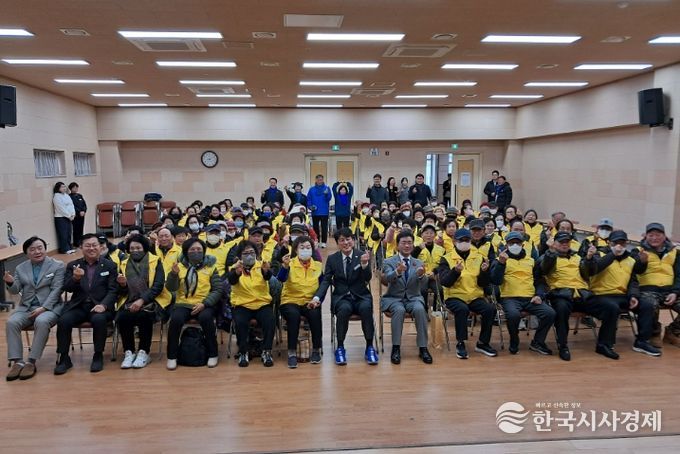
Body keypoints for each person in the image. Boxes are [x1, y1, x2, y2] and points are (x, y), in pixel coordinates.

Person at [539, 231, 620, 361]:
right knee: (561, 309)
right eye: (561, 242)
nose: (565, 244)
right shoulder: (548, 256)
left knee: (611, 307)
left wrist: (589, 258)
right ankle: (563, 346)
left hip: (583, 295)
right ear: (554, 243)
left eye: (567, 242)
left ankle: (604, 345)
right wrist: (550, 251)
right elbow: (544, 269)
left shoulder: (578, 257)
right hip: (561, 294)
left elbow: (588, 273)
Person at [581, 230, 660, 357]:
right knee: (611, 307)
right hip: (599, 295)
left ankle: (642, 342)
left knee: (647, 305)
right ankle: (604, 345)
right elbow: (592, 270)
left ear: (626, 244)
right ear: (609, 243)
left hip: (622, 296)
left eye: (622, 243)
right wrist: (612, 254)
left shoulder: (630, 259)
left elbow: (633, 281)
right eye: (615, 243)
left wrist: (633, 295)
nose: (619, 246)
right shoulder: (599, 254)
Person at [55, 233, 118, 375]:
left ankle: (98, 355)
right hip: (78, 306)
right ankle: (64, 358)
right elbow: (67, 288)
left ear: (100, 247)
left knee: (99, 319)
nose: (91, 248)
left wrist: (104, 305)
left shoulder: (110, 265)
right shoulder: (73, 265)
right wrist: (75, 279)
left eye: (94, 245)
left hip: (100, 306)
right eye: (87, 245)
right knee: (64, 320)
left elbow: (113, 290)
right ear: (81, 248)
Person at [4, 236, 65, 381]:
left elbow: (57, 290)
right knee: (11, 322)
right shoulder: (21, 268)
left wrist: (44, 308)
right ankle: (18, 362)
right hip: (26, 307)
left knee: (41, 321)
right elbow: (15, 290)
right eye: (32, 249)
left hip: (50, 307)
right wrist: (10, 283)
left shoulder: (57, 265)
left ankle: (31, 361)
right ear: (26, 253)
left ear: (45, 249)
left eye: (40, 248)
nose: (37, 252)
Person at [313, 227, 377, 365]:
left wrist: (365, 264)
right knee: (343, 310)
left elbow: (368, 278)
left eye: (348, 239)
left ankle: (370, 346)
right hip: (342, 297)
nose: (346, 243)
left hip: (361, 296)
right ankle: (340, 347)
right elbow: (326, 280)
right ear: (337, 243)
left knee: (366, 308)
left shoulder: (362, 255)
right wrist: (317, 297)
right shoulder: (332, 259)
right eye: (342, 240)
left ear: (353, 240)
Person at [490, 231, 555, 356]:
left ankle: (537, 342)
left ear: (523, 245)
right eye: (511, 243)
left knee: (549, 313)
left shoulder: (531, 261)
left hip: (530, 298)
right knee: (513, 315)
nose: (515, 245)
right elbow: (495, 281)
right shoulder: (499, 260)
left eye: (518, 243)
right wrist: (501, 264)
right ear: (506, 245)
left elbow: (539, 281)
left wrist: (539, 295)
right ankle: (514, 339)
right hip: (509, 298)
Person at [438, 228, 497, 359]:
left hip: (475, 296)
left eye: (467, 240)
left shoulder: (479, 257)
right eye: (461, 240)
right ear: (454, 242)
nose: (464, 243)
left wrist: (485, 272)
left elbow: (483, 283)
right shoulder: (446, 258)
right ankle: (461, 343)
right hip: (454, 296)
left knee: (490, 309)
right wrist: (455, 271)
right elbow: (445, 282)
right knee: (462, 309)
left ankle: (483, 343)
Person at [165, 238, 221, 370]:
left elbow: (218, 289)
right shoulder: (179, 266)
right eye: (192, 249)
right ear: (186, 252)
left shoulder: (211, 267)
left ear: (204, 251)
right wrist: (173, 275)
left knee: (206, 318)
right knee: (176, 320)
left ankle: (213, 354)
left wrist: (205, 303)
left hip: (204, 304)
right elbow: (171, 288)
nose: (196, 252)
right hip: (183, 304)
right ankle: (172, 356)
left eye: (199, 249)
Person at [115, 234, 168, 369]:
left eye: (138, 248)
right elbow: (121, 291)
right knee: (123, 317)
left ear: (144, 248)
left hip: (152, 301)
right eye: (132, 248)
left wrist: (142, 300)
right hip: (129, 300)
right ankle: (129, 352)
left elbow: (158, 286)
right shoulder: (123, 263)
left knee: (144, 316)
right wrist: (122, 285)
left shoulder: (155, 261)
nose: (135, 250)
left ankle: (144, 352)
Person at [380, 231, 432, 364]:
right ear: (397, 245)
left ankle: (423, 348)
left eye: (409, 243)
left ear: (413, 245)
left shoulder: (418, 262)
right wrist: (397, 271)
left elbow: (424, 285)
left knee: (420, 309)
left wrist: (421, 275)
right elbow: (386, 279)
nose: (407, 246)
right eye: (404, 243)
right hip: (394, 298)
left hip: (413, 298)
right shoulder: (389, 261)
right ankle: (396, 348)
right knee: (399, 310)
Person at [277, 236, 323, 368]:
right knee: (293, 315)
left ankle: (316, 349)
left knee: (315, 314)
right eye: (302, 247)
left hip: (310, 301)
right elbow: (281, 278)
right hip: (290, 300)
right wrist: (284, 267)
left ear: (312, 250)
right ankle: (292, 352)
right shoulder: (289, 263)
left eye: (308, 247)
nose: (305, 250)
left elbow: (323, 287)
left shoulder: (318, 266)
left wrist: (317, 300)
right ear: (296, 250)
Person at [228, 240, 276, 367]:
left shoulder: (262, 265)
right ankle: (243, 352)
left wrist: (266, 271)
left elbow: (268, 277)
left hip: (262, 303)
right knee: (240, 322)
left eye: (252, 252)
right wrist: (237, 272)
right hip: (242, 304)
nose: (249, 255)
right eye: (246, 253)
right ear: (240, 256)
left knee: (270, 320)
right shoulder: (235, 268)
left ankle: (266, 351)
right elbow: (231, 280)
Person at [635, 223, 680, 347]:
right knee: (649, 304)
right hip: (647, 290)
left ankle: (673, 332)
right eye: (651, 235)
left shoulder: (675, 252)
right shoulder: (638, 250)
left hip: (669, 291)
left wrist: (675, 292)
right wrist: (641, 262)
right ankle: (654, 333)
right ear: (646, 236)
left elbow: (679, 275)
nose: (654, 238)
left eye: (658, 235)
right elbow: (634, 272)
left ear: (664, 236)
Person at [307, 174, 332, 248]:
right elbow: (309, 199)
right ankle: (316, 241)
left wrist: (327, 194)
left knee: (324, 227)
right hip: (315, 212)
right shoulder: (311, 189)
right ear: (316, 180)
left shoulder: (326, 188)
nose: (319, 181)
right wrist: (310, 206)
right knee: (315, 227)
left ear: (323, 180)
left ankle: (324, 242)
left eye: (321, 179)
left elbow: (329, 198)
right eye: (318, 180)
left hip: (324, 211)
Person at [52, 181, 76, 254]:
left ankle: (69, 247)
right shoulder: (56, 197)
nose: (64, 188)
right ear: (58, 188)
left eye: (64, 186)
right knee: (63, 234)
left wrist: (73, 214)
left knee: (69, 233)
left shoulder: (66, 195)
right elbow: (61, 208)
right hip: (61, 218)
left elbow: (71, 205)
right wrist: (69, 216)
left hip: (69, 217)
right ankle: (64, 249)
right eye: (62, 187)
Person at [68, 182, 87, 248]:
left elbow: (84, 204)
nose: (75, 189)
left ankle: (81, 242)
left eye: (76, 188)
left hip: (82, 215)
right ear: (71, 189)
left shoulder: (79, 195)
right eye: (74, 188)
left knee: (81, 229)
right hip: (76, 216)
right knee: (76, 229)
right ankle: (76, 243)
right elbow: (72, 206)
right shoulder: (69, 197)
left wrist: (84, 211)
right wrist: (79, 212)